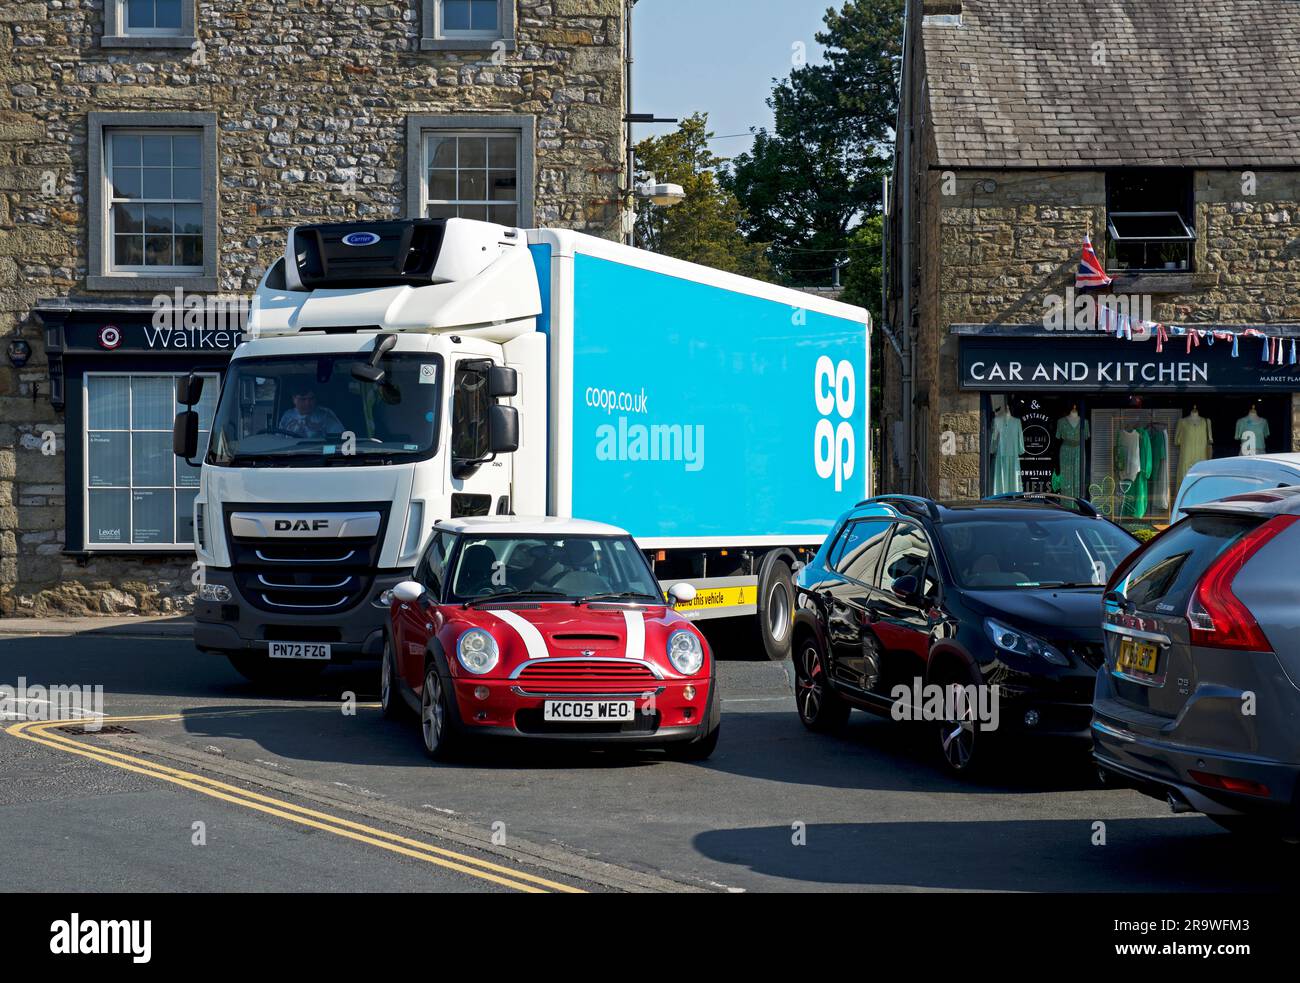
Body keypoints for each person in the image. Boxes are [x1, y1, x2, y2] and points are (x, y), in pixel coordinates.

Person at [277, 388, 343, 438]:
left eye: (311, 399)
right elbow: (278, 439)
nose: (307, 403)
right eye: (303, 399)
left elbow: (338, 440)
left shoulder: (325, 414)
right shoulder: (287, 415)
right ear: (294, 399)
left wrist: (327, 453)